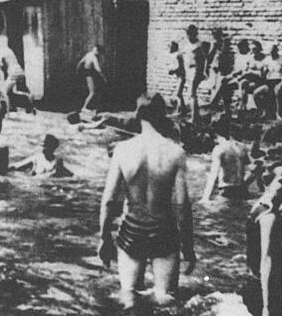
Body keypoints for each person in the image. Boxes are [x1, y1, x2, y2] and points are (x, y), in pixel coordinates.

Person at [98, 99, 196, 311]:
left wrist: (104, 238)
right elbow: (182, 206)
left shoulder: (123, 149)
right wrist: (188, 247)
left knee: (129, 295)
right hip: (164, 231)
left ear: (137, 115)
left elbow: (108, 200)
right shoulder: (175, 152)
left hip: (131, 230)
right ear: (162, 116)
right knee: (165, 299)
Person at [245, 163, 282, 316]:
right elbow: (267, 263)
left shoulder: (260, 206)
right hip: (268, 291)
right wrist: (268, 308)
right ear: (267, 182)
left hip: (257, 285)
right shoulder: (269, 217)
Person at [202, 130, 251, 200]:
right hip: (242, 190)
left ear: (216, 136)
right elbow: (250, 168)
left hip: (227, 190)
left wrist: (205, 197)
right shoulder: (243, 147)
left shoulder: (218, 149)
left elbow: (213, 173)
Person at [0, 37, 35, 115]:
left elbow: (0, 65)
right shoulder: (9, 50)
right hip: (19, 70)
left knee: (3, 91)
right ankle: (28, 97)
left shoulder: (1, 52)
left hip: (13, 72)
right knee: (12, 92)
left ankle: (6, 111)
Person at [184, 25, 208, 125]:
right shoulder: (188, 45)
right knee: (192, 94)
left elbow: (203, 60)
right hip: (189, 70)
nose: (189, 36)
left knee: (192, 93)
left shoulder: (199, 45)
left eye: (190, 34)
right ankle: (196, 116)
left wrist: (202, 72)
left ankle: (194, 118)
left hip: (196, 70)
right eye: (188, 34)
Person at [77, 46, 106, 113]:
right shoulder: (94, 57)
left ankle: (88, 107)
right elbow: (97, 68)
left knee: (92, 91)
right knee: (92, 92)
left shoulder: (88, 54)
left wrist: (78, 70)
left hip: (85, 73)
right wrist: (103, 76)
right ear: (97, 51)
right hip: (88, 73)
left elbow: (81, 62)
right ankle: (84, 107)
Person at [168, 41, 187, 115]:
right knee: (179, 94)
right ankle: (183, 109)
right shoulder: (177, 55)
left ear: (174, 47)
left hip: (181, 77)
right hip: (179, 77)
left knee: (178, 94)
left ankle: (181, 110)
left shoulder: (178, 55)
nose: (170, 48)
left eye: (171, 46)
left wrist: (173, 71)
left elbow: (180, 67)